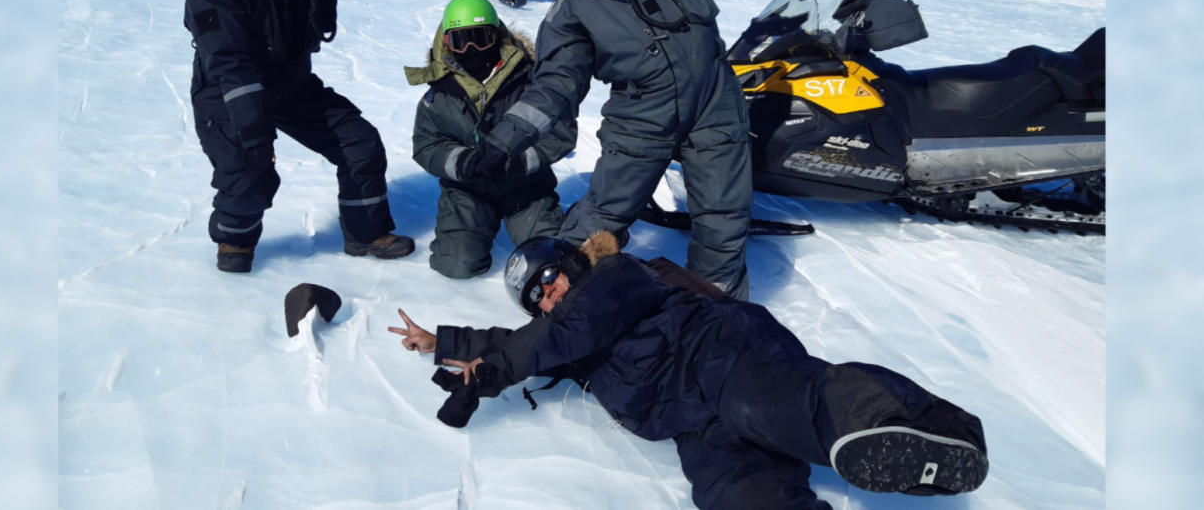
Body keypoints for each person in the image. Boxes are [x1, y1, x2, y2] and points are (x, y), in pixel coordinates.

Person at [388, 234, 989, 509]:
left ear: (572, 262)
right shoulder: (560, 333)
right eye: (536, 296)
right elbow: (525, 341)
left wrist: (491, 372)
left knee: (782, 404)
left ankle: (923, 427)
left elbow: (546, 338)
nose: (549, 294)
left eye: (551, 276)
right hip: (691, 421)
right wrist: (444, 341)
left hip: (719, 356)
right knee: (733, 493)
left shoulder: (616, 277)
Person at [454, 0, 753, 299]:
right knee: (602, 217)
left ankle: (716, 316)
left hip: (715, 105)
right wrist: (501, 142)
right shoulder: (572, 12)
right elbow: (554, 87)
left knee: (723, 219)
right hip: (641, 117)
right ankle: (565, 300)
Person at [180, 0, 414, 273]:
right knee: (251, 174)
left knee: (359, 142)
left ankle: (365, 234)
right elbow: (230, 62)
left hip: (290, 82)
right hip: (227, 89)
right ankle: (234, 245)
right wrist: (257, 137)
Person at [404, 0, 577, 278]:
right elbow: (425, 144)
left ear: (497, 35)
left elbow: (561, 133)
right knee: (456, 266)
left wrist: (519, 163)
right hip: (468, 189)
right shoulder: (439, 93)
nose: (472, 49)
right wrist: (462, 163)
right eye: (462, 40)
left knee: (550, 260)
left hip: (525, 186)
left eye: (481, 37)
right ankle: (476, 225)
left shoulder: (530, 81)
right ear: (447, 43)